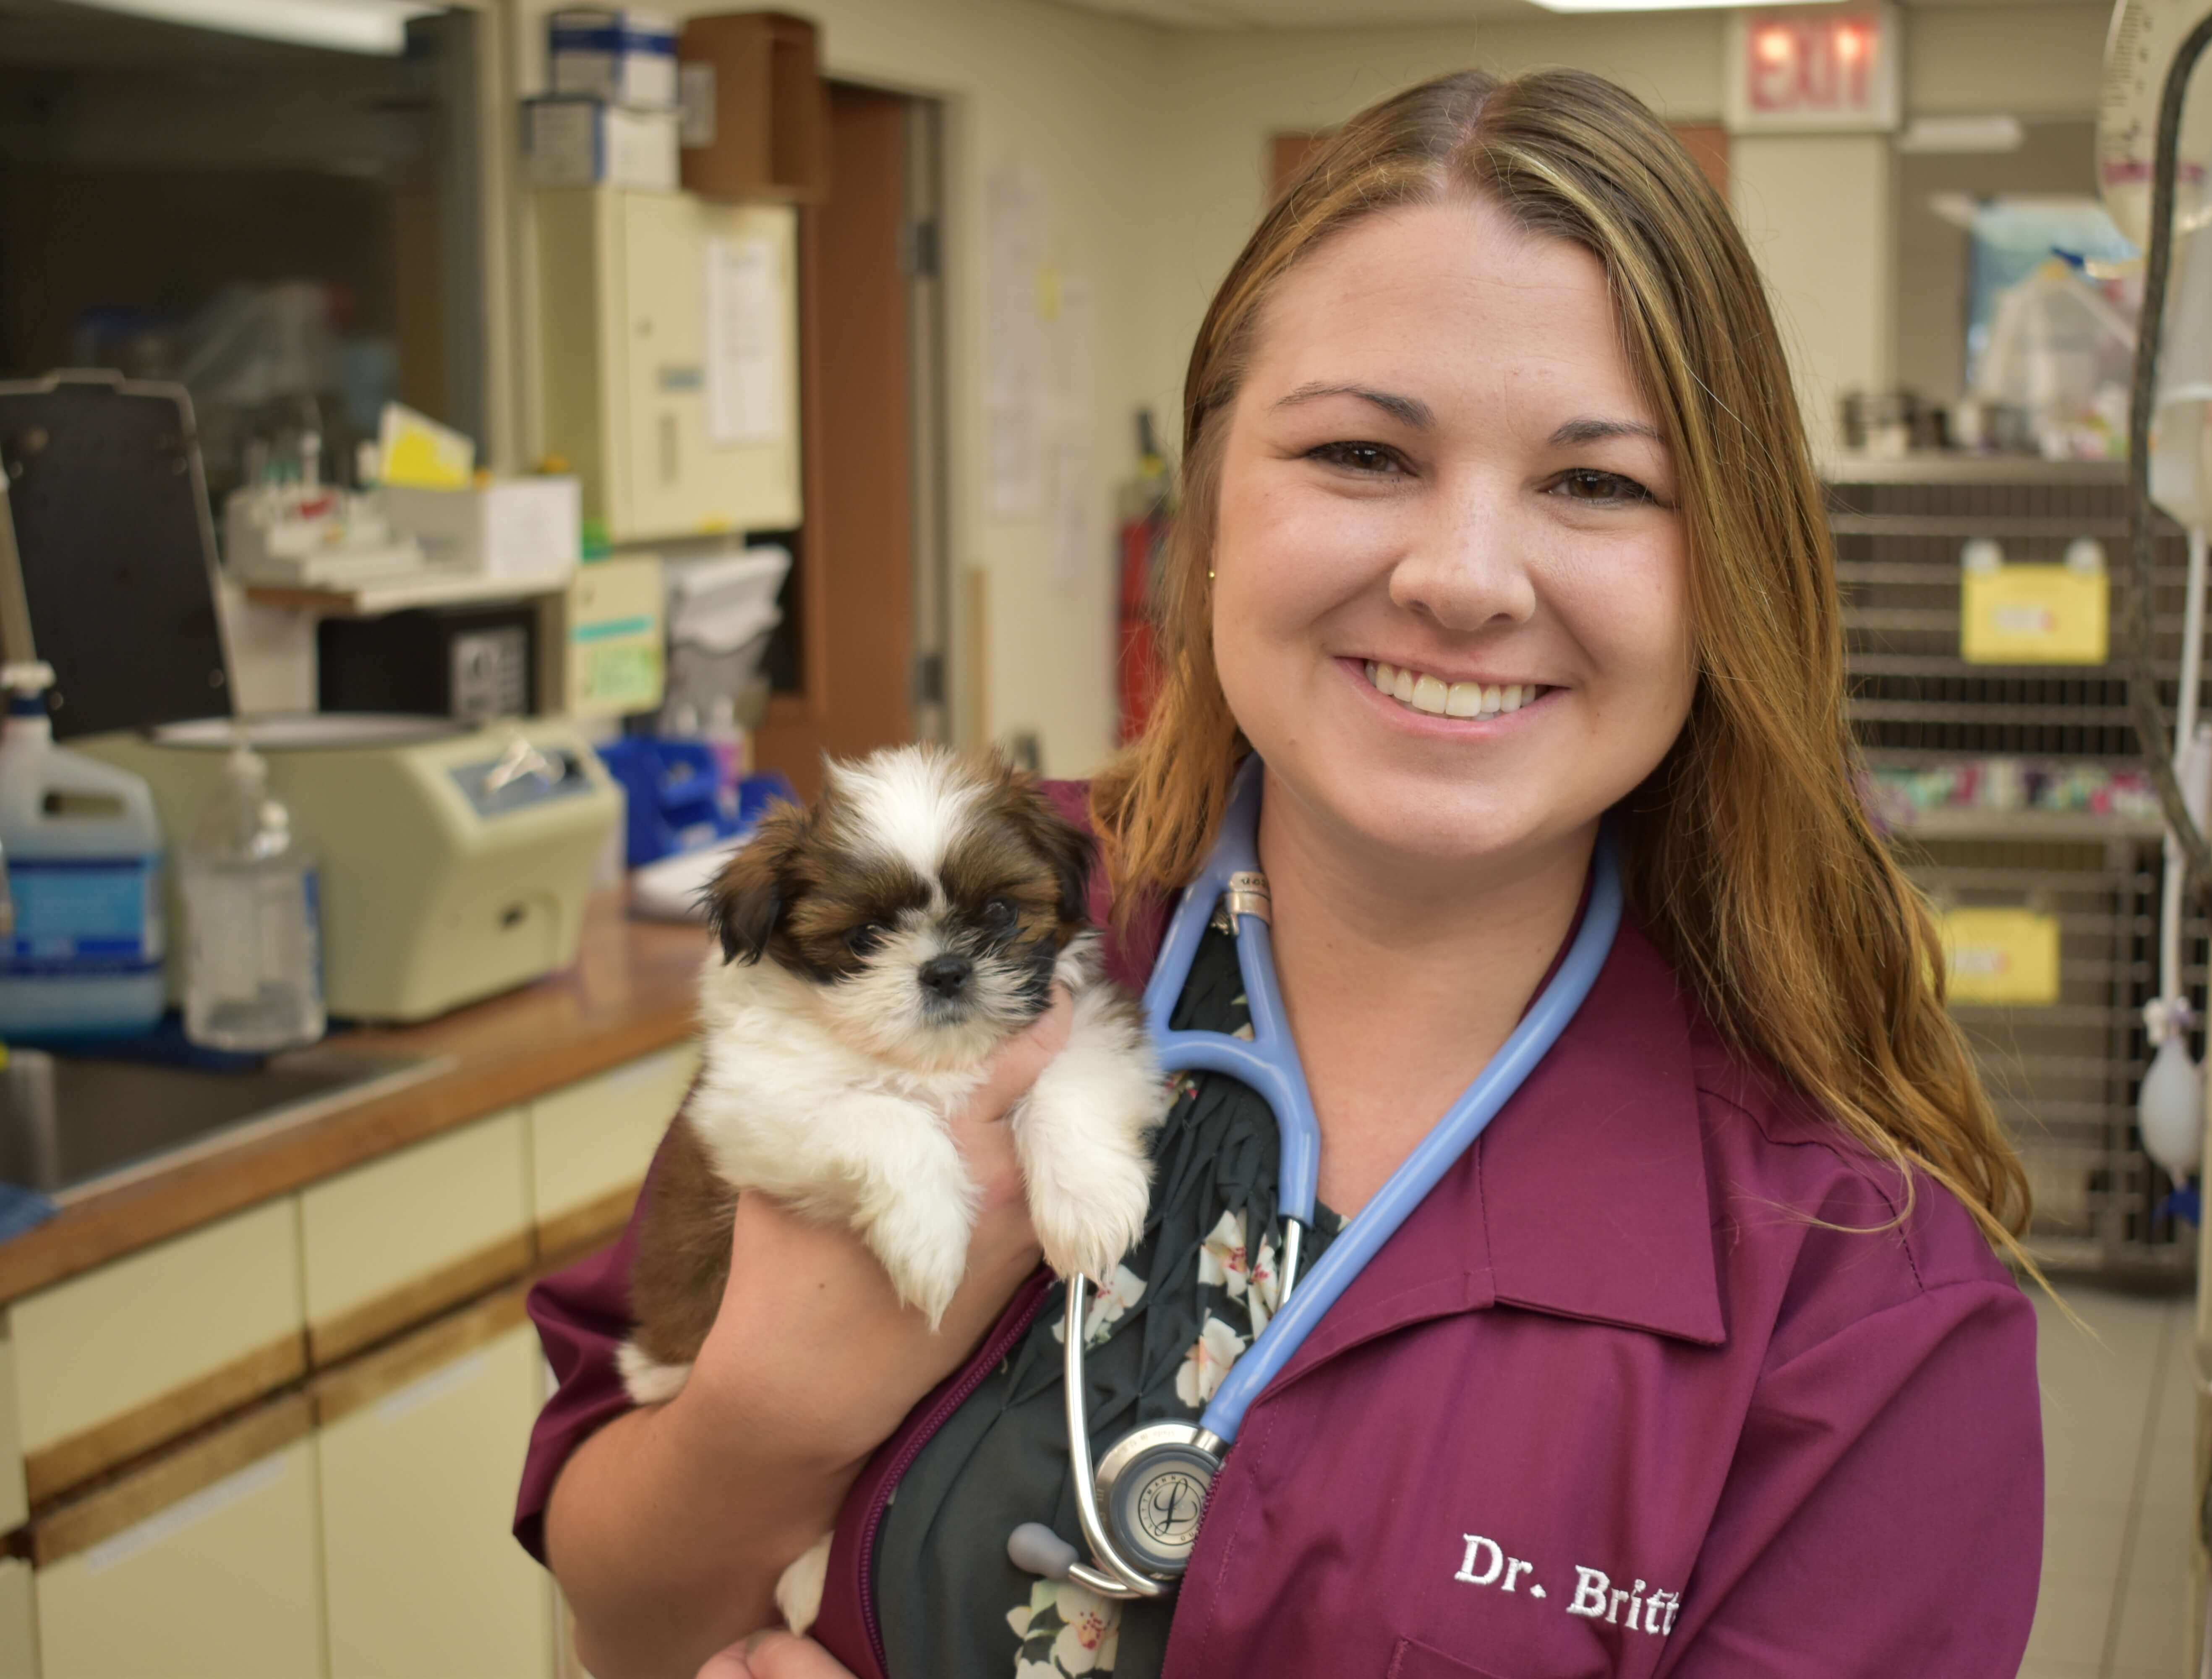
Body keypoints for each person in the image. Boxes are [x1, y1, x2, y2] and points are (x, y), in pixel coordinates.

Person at [517, 66, 2044, 1679]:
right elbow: (623, 1613)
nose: (1461, 580)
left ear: (1726, 567)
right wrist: (770, 1414)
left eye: (1599, 483)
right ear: (1212, 505)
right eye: (1363, 455)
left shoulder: (1863, 1293)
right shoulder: (965, 916)